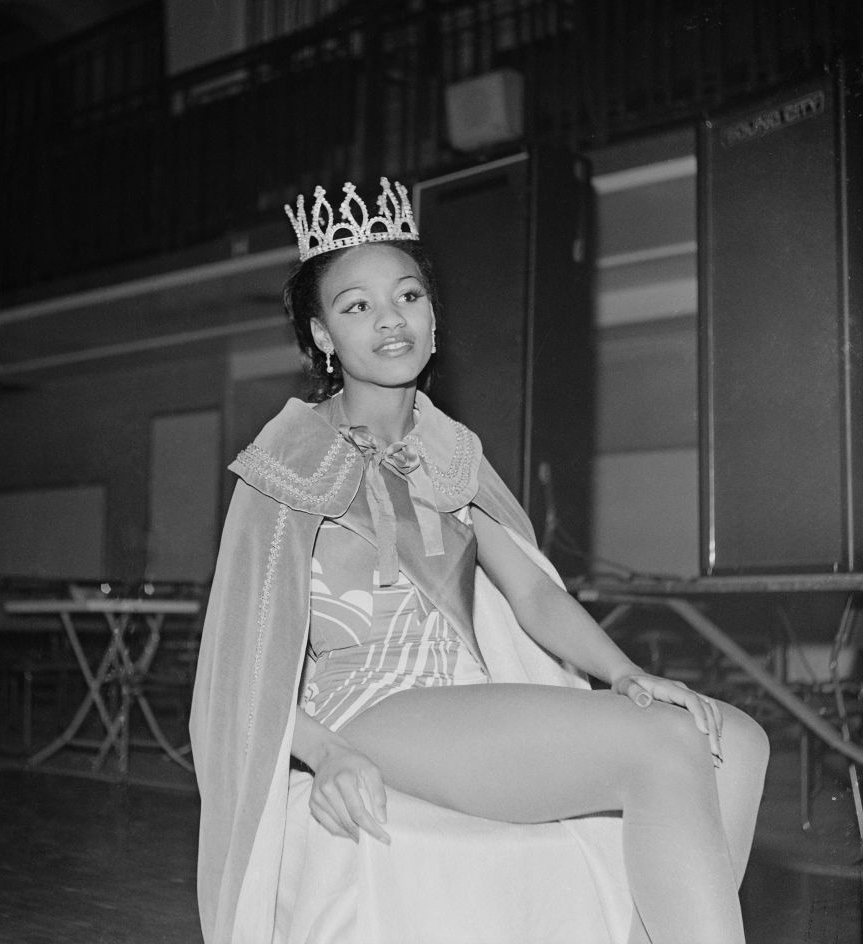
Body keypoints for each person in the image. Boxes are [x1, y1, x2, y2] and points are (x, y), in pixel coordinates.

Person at [189, 178, 770, 944]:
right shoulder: (286, 464)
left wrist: (626, 673)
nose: (390, 319)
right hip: (370, 708)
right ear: (322, 334)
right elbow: (237, 676)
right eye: (356, 306)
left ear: (432, 315)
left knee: (736, 740)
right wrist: (325, 755)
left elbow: (531, 590)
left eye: (408, 296)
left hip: (466, 700)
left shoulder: (449, 450)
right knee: (661, 745)